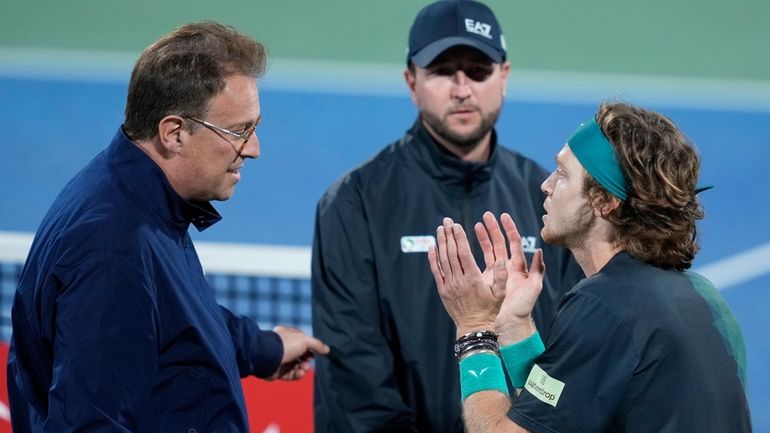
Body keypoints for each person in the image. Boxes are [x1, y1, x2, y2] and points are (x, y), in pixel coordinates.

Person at [7, 22, 329, 432]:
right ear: (174, 133)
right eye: (238, 131)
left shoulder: (138, 198)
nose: (253, 149)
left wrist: (263, 347)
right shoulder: (114, 248)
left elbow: (174, 318)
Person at [311, 1, 583, 432]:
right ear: (412, 81)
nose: (462, 89)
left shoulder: (549, 197)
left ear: (504, 77)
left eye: (478, 71)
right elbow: (355, 375)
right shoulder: (355, 202)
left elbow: (572, 350)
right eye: (442, 71)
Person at [429, 101, 752, 432]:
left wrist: (474, 329)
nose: (547, 185)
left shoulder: (605, 305)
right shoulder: (703, 296)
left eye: (563, 174)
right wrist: (514, 323)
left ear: (605, 201)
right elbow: (561, 409)